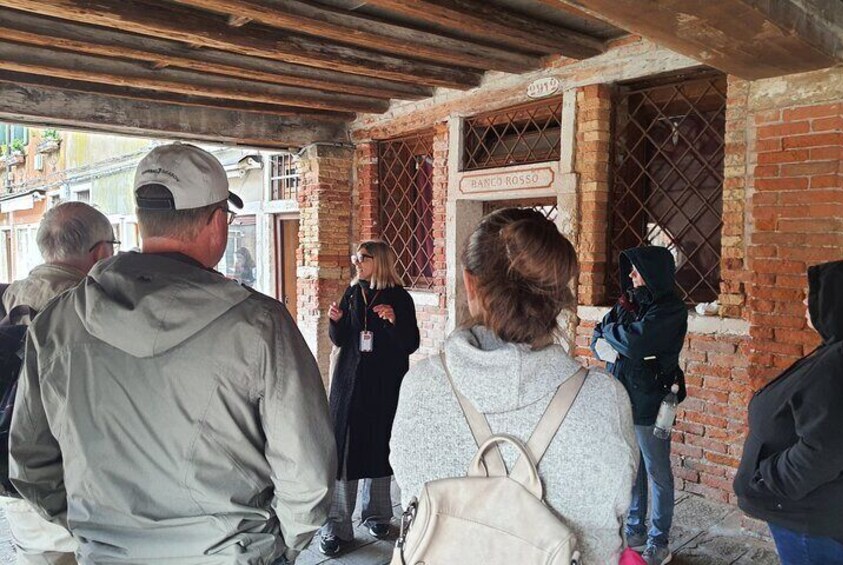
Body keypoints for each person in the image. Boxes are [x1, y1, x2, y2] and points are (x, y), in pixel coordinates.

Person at [9, 143, 336, 565]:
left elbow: (30, 463)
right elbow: (308, 476)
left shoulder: (56, 324)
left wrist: (96, 530)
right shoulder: (260, 324)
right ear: (217, 222)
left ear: (142, 221)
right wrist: (278, 546)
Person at [391, 208, 638, 564]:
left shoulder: (419, 387)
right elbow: (617, 512)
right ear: (558, 294)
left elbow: (409, 490)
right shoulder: (606, 399)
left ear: (470, 284)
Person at [1, 201, 115, 565]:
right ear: (101, 252)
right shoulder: (90, 306)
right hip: (74, 488)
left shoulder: (11, 297)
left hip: (17, 484)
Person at [735, 260, 843, 565]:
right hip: (814, 511)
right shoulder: (834, 350)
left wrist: (769, 479)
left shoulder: (839, 363)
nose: (804, 301)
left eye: (813, 293)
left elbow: (826, 449)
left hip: (809, 519)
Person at [318, 240, 420, 556]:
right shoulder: (352, 292)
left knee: (379, 449)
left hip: (384, 387)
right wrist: (336, 322)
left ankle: (377, 516)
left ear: (381, 261)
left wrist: (393, 322)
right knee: (345, 454)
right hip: (349, 387)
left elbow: (410, 343)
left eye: (363, 257)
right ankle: (336, 527)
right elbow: (341, 339)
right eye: (356, 257)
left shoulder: (400, 298)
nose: (357, 262)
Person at [591, 246, 687, 565]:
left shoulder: (670, 309)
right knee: (633, 469)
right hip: (622, 398)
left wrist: (613, 337)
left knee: (657, 471)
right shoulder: (627, 303)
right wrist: (613, 340)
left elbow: (636, 342)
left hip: (652, 402)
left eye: (637, 269)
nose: (631, 274)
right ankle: (635, 529)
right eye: (631, 269)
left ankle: (659, 541)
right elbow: (596, 337)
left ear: (652, 272)